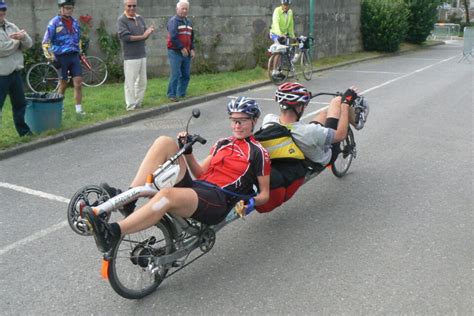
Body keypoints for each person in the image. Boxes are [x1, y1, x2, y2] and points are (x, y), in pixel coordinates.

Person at [84, 97, 271, 253]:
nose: (236, 125)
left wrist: (250, 203)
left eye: (242, 121)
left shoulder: (258, 153)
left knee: (165, 195)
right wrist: (187, 150)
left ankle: (113, 233)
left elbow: (265, 194)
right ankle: (128, 201)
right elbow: (199, 172)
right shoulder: (222, 143)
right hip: (198, 189)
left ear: (254, 121)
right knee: (164, 142)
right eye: (233, 120)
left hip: (219, 199)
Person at [256, 82, 369, 212]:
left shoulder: (269, 120)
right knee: (337, 101)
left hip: (297, 148)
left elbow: (308, 131)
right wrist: (345, 104)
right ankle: (357, 122)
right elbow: (341, 135)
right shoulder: (309, 132)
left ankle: (342, 112)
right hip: (321, 156)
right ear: (298, 108)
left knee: (322, 113)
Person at [42, 0, 84, 115]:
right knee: (63, 83)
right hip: (61, 57)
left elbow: (78, 38)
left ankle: (79, 110)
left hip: (74, 56)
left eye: (70, 8)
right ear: (60, 8)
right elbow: (46, 42)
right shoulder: (54, 23)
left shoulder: (75, 22)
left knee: (78, 83)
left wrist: (79, 51)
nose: (69, 10)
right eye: (66, 8)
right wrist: (51, 58)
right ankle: (59, 107)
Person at [0, 0, 32, 137]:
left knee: (20, 104)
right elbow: (2, 49)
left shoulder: (11, 26)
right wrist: (18, 41)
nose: (1, 14)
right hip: (1, 75)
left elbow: (28, 44)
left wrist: (23, 37)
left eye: (3, 11)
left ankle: (24, 132)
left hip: (15, 73)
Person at [117, 0, 154, 111]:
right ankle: (131, 106)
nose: (132, 8)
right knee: (130, 83)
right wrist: (143, 36)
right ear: (125, 6)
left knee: (142, 82)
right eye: (129, 6)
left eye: (134, 6)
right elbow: (126, 37)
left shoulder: (140, 18)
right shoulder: (121, 20)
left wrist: (149, 32)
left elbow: (144, 34)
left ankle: (138, 103)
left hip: (142, 54)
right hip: (130, 56)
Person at [166, 0, 195, 102]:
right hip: (175, 51)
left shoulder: (189, 22)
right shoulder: (173, 21)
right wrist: (182, 48)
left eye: (186, 9)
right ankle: (171, 94)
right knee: (176, 73)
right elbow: (173, 37)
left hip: (186, 52)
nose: (184, 10)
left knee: (186, 74)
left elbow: (191, 37)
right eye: (182, 8)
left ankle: (181, 93)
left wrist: (192, 49)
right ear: (177, 9)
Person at [269, 0, 296, 77]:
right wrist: (279, 34)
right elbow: (276, 23)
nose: (285, 6)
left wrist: (292, 35)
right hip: (275, 33)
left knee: (287, 50)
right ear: (281, 4)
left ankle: (280, 70)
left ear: (289, 5)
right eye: (284, 5)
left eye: (287, 5)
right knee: (278, 50)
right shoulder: (277, 10)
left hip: (284, 35)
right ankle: (274, 71)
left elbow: (291, 25)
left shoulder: (290, 12)